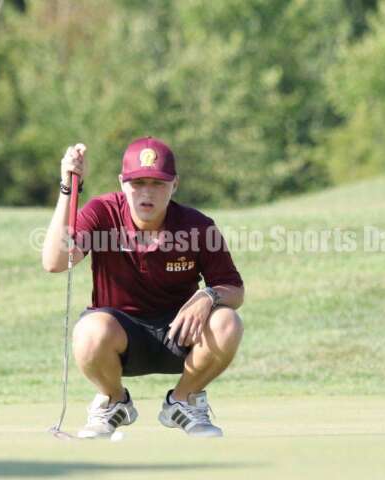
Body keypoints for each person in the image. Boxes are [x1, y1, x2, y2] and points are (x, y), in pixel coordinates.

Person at [41, 137, 245, 438]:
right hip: (119, 338)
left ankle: (182, 401)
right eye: (138, 183)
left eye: (158, 183)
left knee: (227, 321)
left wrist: (208, 295)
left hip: (181, 333)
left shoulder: (197, 225)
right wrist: (67, 189)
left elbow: (235, 289)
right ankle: (114, 402)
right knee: (89, 331)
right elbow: (55, 262)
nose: (147, 192)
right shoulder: (103, 212)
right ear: (122, 183)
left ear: (174, 185)